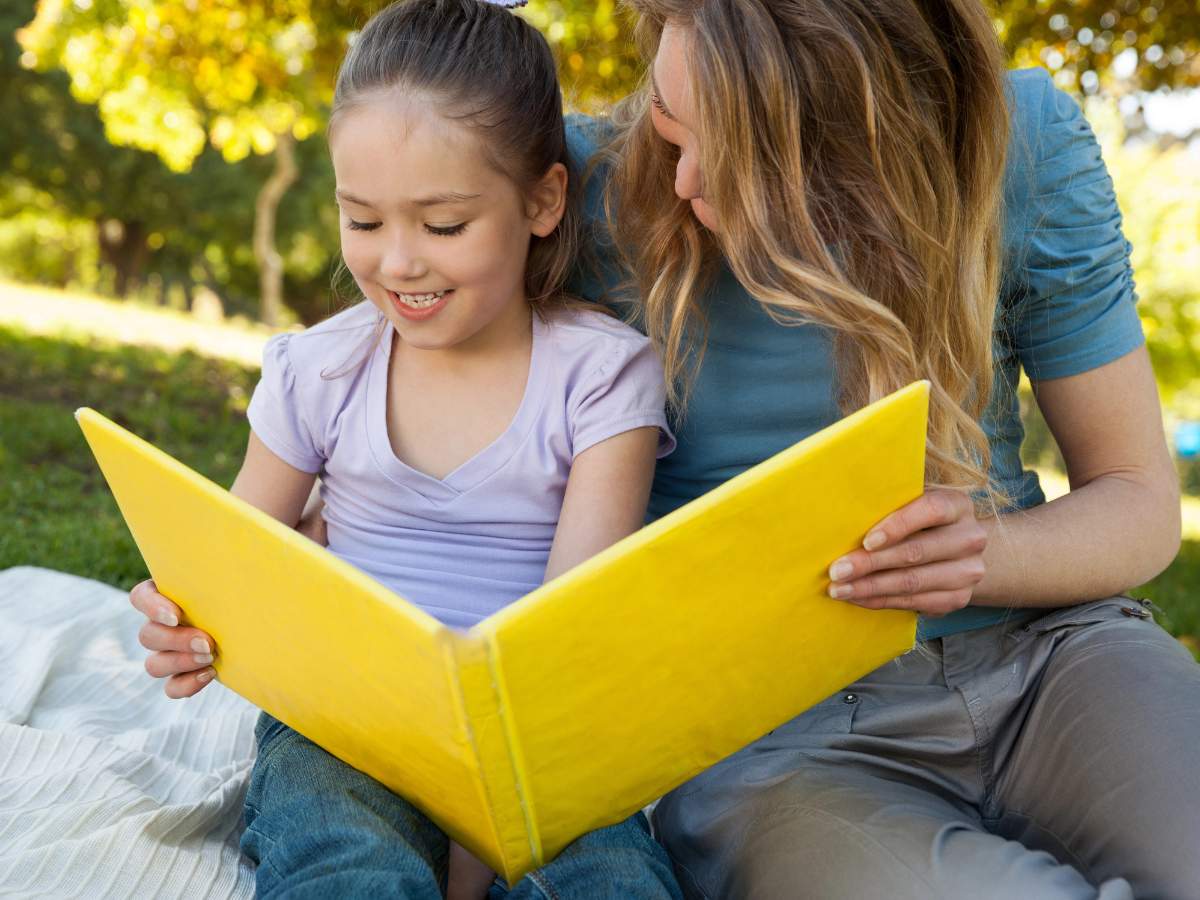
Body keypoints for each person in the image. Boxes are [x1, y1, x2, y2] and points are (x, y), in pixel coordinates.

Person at [565, 1, 1194, 897]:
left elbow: (1139, 500)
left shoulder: (1016, 148)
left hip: (1052, 664)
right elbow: (406, 280)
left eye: (739, 154)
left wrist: (981, 558)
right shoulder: (582, 180)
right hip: (781, 747)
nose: (683, 179)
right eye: (670, 126)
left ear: (871, 143)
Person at [128, 1, 683, 898]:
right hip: (344, 725)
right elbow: (227, 560)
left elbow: (569, 636)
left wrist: (481, 833)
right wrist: (183, 620)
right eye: (364, 221)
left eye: (443, 225)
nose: (397, 264)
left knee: (608, 877)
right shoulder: (319, 369)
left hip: (539, 744)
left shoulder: (601, 376)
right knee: (343, 861)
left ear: (543, 201)